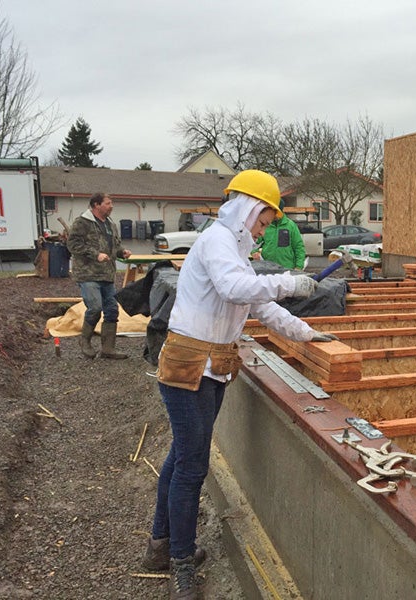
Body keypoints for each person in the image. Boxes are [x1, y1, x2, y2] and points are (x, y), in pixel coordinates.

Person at [143, 169, 337, 599]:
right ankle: (180, 562)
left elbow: (260, 306)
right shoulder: (216, 241)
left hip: (213, 366)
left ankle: (160, 544)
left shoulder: (235, 247)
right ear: (248, 207)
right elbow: (234, 289)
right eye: (264, 220)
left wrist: (307, 333)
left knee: (182, 457)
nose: (264, 228)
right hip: (188, 365)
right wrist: (292, 282)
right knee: (192, 466)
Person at [67, 192, 132, 359]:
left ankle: (108, 349)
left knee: (111, 310)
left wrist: (121, 252)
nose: (111, 206)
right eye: (108, 203)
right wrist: (95, 254)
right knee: (95, 307)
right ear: (96, 205)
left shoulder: (110, 224)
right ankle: (85, 341)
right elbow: (73, 245)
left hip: (107, 274)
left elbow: (114, 246)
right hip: (88, 274)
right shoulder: (82, 222)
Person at [254, 199, 307, 269]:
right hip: (267, 268)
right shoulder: (266, 225)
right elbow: (253, 241)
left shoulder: (291, 226)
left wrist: (298, 267)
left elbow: (298, 247)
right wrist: (254, 252)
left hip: (286, 268)